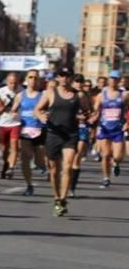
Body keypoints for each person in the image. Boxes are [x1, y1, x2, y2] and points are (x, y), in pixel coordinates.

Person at [34, 69, 91, 216]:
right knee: (53, 170)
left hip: (70, 135)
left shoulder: (78, 95)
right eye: (61, 75)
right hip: (54, 134)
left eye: (67, 76)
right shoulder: (50, 92)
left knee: (67, 167)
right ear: (58, 77)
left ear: (71, 78)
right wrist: (41, 117)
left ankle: (63, 199)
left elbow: (88, 111)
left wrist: (85, 116)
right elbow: (37, 110)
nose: (64, 78)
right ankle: (56, 196)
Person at [92, 70, 128, 188]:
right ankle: (106, 177)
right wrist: (93, 118)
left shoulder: (124, 95)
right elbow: (96, 110)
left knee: (117, 156)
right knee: (106, 154)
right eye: (111, 78)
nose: (113, 81)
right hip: (105, 128)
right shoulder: (101, 95)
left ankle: (116, 164)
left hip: (118, 129)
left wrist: (127, 123)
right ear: (109, 80)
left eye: (116, 79)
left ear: (119, 81)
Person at [14, 70, 47, 196]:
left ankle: (42, 166)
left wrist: (44, 114)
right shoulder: (20, 96)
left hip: (40, 130)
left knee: (39, 162)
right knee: (25, 158)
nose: (33, 79)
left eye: (35, 78)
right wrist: (13, 114)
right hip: (25, 131)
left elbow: (49, 110)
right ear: (26, 79)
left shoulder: (43, 95)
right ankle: (29, 185)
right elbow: (14, 110)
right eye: (31, 77)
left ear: (39, 80)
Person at [0, 72, 22, 179]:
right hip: (3, 123)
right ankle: (6, 164)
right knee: (4, 149)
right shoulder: (0, 91)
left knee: (14, 144)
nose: (13, 85)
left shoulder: (22, 92)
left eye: (15, 83)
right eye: (11, 83)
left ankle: (11, 168)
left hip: (16, 123)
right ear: (7, 82)